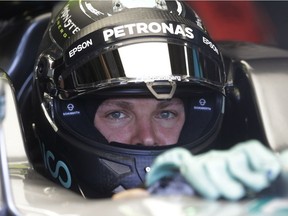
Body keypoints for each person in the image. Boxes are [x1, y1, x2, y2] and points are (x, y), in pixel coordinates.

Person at [22, 0, 282, 200]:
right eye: (118, 114)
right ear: (65, 110)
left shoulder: (240, 176)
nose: (147, 137)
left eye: (166, 114)